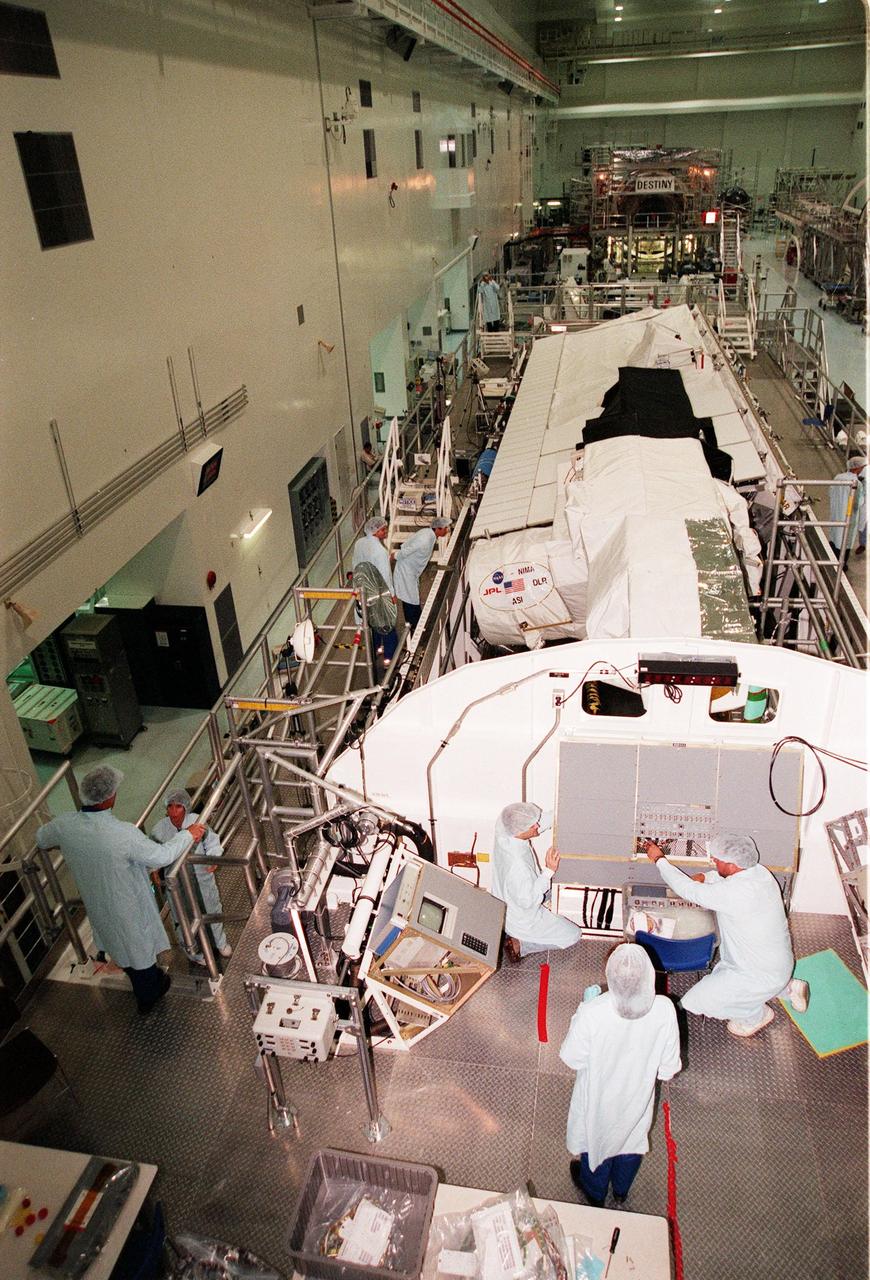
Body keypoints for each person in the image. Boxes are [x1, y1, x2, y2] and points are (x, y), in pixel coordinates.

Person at [35, 765, 205, 1014]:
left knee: (119, 946)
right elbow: (161, 855)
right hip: (128, 906)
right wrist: (188, 834)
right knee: (139, 954)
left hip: (97, 904)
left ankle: (142, 979)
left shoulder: (65, 826)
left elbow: (41, 838)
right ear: (111, 797)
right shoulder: (123, 833)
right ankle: (148, 997)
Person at [644, 833, 809, 1037]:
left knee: (696, 1001)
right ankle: (789, 988)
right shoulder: (760, 873)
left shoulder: (735, 894)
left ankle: (755, 1016)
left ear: (732, 864)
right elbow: (723, 880)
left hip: (757, 975)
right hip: (778, 965)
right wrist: (705, 877)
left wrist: (659, 859)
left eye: (718, 860)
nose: (714, 861)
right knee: (740, 978)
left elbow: (686, 890)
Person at [560, 944, 681, 1208]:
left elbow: (571, 1057)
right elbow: (668, 1069)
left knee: (597, 1146)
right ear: (650, 975)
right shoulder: (665, 1010)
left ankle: (595, 1194)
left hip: (598, 1103)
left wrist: (582, 1009)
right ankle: (621, 1192)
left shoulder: (594, 1012)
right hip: (637, 1101)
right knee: (631, 1144)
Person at [490, 802, 581, 962]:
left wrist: (563, 811)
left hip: (508, 900)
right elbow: (528, 901)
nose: (537, 825)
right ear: (521, 830)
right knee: (573, 935)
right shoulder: (518, 866)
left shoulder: (504, 828)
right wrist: (549, 870)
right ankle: (521, 943)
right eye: (533, 825)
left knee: (556, 887)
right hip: (522, 916)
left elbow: (537, 822)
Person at [150, 789, 231, 964]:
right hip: (177, 883)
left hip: (202, 877)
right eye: (170, 806)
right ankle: (195, 953)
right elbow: (153, 853)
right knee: (183, 917)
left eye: (178, 806)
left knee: (211, 908)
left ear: (185, 807)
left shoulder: (197, 821)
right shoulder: (159, 829)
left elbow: (212, 841)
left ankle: (220, 942)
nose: (173, 812)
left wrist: (214, 857)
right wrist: (155, 870)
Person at [352, 515, 398, 662]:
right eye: (382, 530)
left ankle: (377, 648)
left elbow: (356, 564)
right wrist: (392, 594)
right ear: (375, 532)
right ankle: (389, 658)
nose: (385, 532)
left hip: (363, 590)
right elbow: (385, 575)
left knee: (371, 620)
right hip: (378, 592)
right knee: (386, 623)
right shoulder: (380, 551)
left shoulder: (360, 543)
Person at [393, 517, 451, 631]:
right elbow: (406, 550)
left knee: (410, 598)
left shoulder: (429, 534)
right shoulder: (425, 539)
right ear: (438, 529)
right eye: (445, 528)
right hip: (406, 570)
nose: (447, 530)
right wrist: (395, 556)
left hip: (411, 570)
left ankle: (415, 625)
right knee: (410, 599)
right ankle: (415, 627)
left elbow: (408, 543)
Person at [828, 455, 866, 569]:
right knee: (846, 539)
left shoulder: (838, 477)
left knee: (835, 536)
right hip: (848, 516)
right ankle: (842, 565)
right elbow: (858, 502)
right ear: (857, 468)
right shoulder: (856, 483)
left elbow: (830, 492)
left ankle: (832, 559)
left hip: (836, 512)